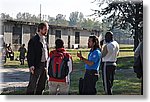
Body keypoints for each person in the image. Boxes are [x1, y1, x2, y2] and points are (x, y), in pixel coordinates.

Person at [26, 22, 49, 95]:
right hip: (37, 65)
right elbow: (30, 54)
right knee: (32, 84)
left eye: (47, 30)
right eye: (45, 29)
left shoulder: (45, 40)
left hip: (45, 65)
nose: (46, 31)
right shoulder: (33, 40)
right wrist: (31, 65)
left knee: (42, 85)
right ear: (40, 29)